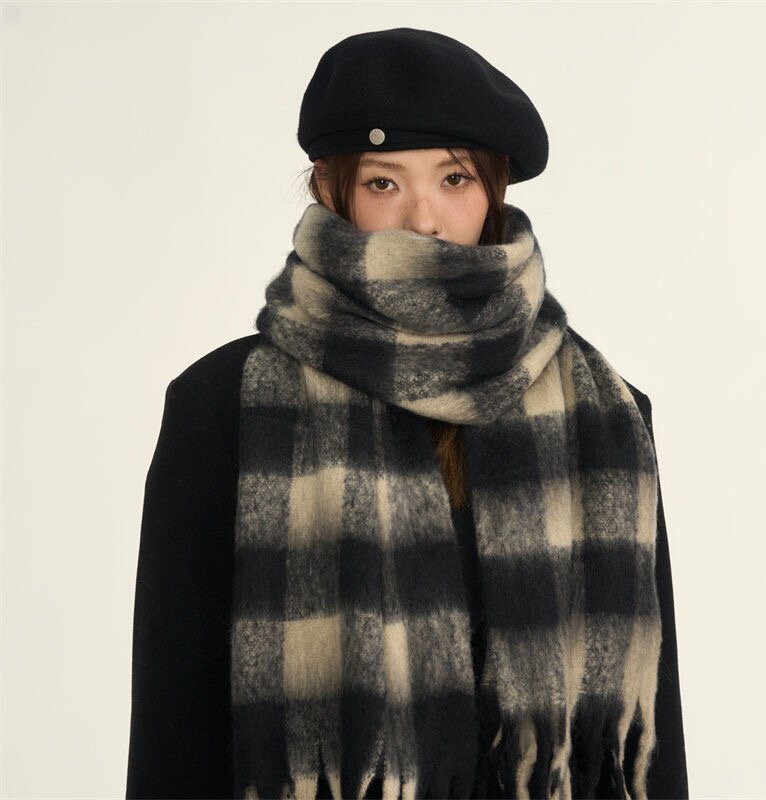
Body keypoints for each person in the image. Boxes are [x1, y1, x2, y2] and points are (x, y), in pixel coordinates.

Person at [125, 27, 689, 800]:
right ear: (332, 192)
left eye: (455, 178)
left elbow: (648, 750)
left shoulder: (607, 415)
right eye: (385, 183)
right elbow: (175, 734)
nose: (426, 219)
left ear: (494, 190)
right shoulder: (227, 409)